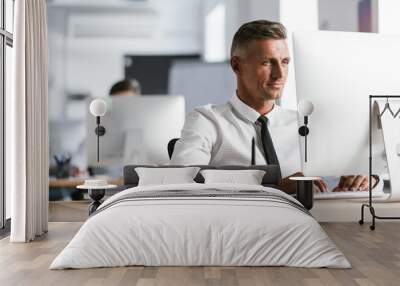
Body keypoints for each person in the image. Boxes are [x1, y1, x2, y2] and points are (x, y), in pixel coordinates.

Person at [170, 20, 377, 194]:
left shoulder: (305, 124)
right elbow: (181, 183)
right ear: (236, 66)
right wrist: (273, 187)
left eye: (285, 62)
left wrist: (366, 178)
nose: (280, 74)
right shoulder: (207, 121)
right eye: (267, 63)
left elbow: (367, 168)